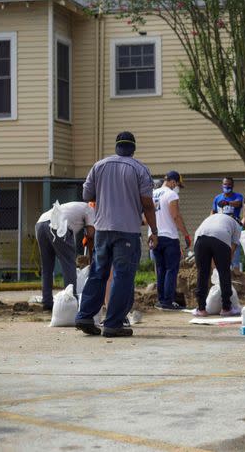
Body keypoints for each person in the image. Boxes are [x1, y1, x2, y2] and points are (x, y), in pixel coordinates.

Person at [75, 131, 157, 338]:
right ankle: (113, 324)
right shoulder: (140, 169)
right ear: (133, 148)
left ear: (116, 146)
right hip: (127, 231)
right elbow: (147, 203)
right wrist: (154, 231)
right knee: (122, 275)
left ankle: (84, 316)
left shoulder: (99, 166)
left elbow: (87, 195)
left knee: (98, 272)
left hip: (102, 229)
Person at [35, 201, 96, 312]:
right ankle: (71, 300)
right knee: (68, 264)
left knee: (47, 267)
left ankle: (47, 302)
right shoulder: (91, 209)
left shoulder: (78, 206)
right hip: (58, 224)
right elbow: (91, 234)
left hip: (41, 223)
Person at [152, 171, 191, 311]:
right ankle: (168, 301)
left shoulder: (153, 194)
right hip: (169, 237)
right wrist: (186, 234)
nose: (177, 187)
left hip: (155, 237)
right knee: (171, 269)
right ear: (173, 182)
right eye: (177, 184)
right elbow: (175, 216)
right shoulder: (171, 194)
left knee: (161, 269)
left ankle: (161, 300)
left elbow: (146, 217)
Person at [192, 213, 241, 317]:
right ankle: (226, 308)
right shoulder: (237, 226)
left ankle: (201, 309)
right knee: (224, 272)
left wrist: (214, 265)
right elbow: (232, 250)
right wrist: (222, 265)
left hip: (199, 237)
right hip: (221, 237)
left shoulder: (214, 217)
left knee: (202, 273)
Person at [212, 176, 244, 270]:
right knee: (221, 247)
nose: (227, 186)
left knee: (235, 247)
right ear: (222, 185)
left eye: (229, 184)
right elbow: (213, 211)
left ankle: (235, 268)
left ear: (233, 185)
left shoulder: (238, 196)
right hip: (220, 227)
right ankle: (222, 268)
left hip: (234, 226)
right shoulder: (217, 198)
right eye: (225, 184)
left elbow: (238, 203)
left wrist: (227, 203)